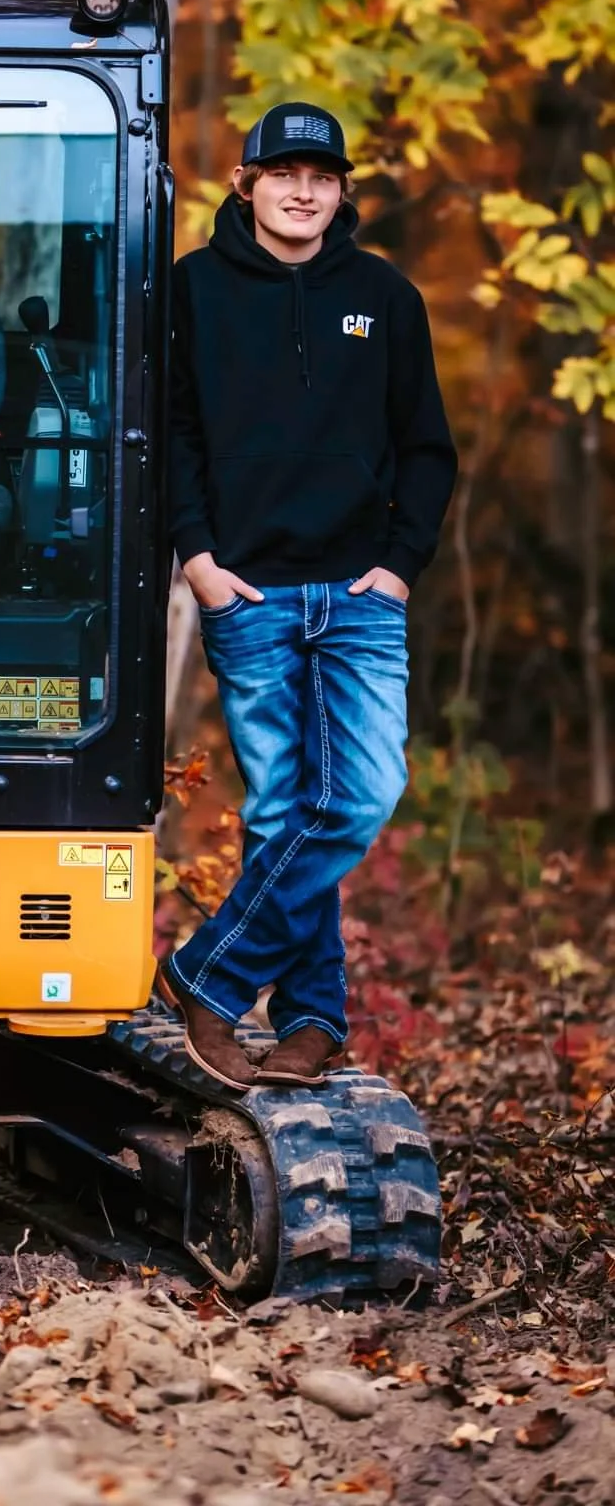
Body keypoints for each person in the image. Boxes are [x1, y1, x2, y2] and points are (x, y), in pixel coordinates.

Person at [163, 101, 456, 1089]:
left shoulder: (384, 293)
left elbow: (425, 447)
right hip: (248, 591)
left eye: (321, 175)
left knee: (364, 790)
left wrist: (399, 564)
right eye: (282, 172)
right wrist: (200, 561)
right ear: (245, 184)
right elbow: (173, 439)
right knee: (288, 809)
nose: (302, 189)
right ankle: (314, 1017)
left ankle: (209, 973)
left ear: (340, 190)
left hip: (360, 593)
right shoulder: (192, 291)